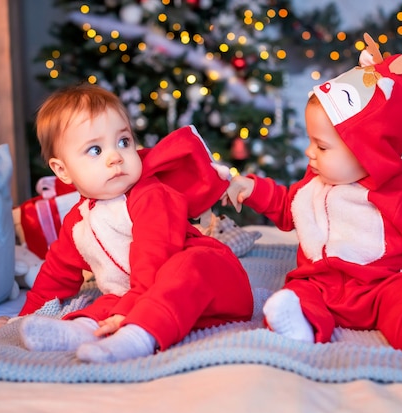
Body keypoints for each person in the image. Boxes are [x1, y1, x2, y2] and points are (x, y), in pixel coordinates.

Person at [224, 34, 402, 354]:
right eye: (311, 141)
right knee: (297, 290)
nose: (309, 153)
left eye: (322, 146)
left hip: (378, 289)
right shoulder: (314, 183)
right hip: (319, 285)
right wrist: (253, 189)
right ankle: (301, 322)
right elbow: (290, 208)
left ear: (365, 152)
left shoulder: (398, 197)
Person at [16, 84, 254, 363]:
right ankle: (83, 331)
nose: (115, 156)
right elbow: (57, 272)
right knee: (107, 301)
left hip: (213, 284)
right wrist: (25, 316)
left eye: (123, 142)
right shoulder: (77, 222)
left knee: (184, 266)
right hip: (149, 294)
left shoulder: (150, 195)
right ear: (62, 170)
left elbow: (154, 257)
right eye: (95, 149)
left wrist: (131, 308)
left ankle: (138, 336)